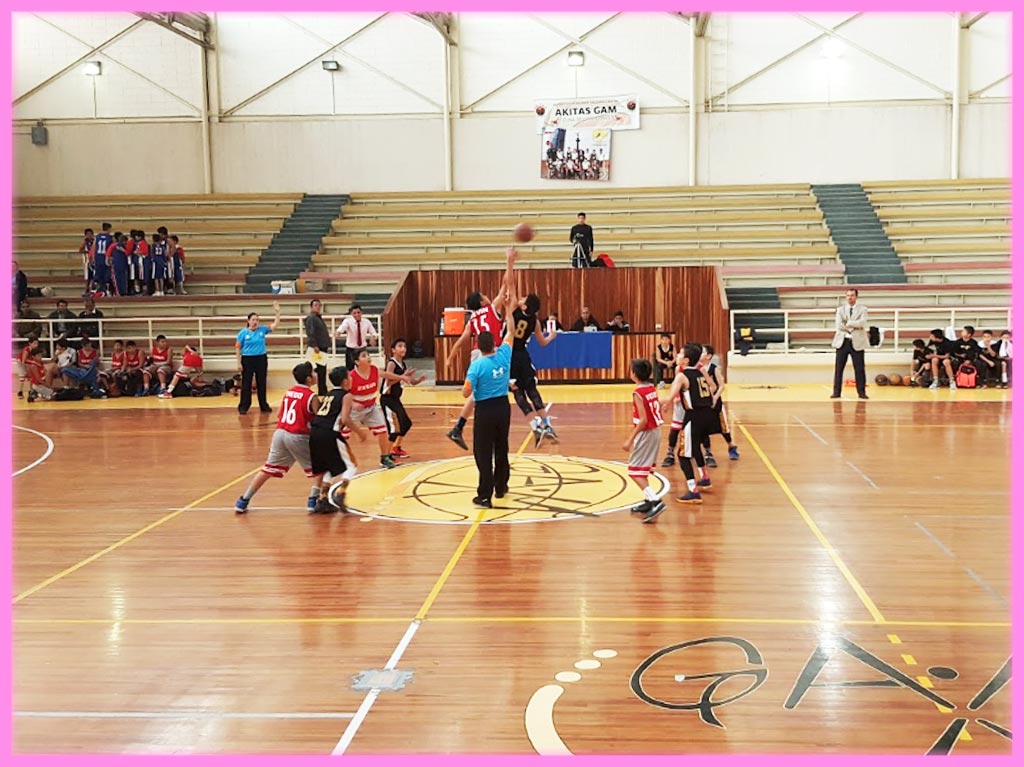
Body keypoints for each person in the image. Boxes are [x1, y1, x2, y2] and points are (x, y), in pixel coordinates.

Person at [445, 248, 517, 450]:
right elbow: (506, 283)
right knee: (485, 396)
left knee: (478, 395)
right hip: (490, 354)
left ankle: (458, 427)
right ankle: (466, 429)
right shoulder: (491, 308)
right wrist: (509, 261)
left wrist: (450, 357)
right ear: (482, 301)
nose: (488, 296)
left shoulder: (473, 319)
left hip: (477, 355)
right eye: (485, 295)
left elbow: (461, 340)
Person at [235, 362, 323, 514]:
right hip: (297, 435)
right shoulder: (311, 396)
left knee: (267, 469)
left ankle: (243, 500)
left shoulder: (289, 392)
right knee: (322, 468)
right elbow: (320, 420)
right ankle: (313, 500)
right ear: (309, 379)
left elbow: (279, 414)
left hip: (280, 433)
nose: (316, 375)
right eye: (314, 373)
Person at [462, 298, 516, 509]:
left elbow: (466, 392)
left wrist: (469, 388)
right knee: (501, 446)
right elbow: (510, 332)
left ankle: (485, 494)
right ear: (494, 343)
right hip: (503, 407)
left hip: (485, 409)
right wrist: (509, 311)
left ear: (479, 347)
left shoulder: (476, 366)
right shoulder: (504, 354)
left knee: (483, 452)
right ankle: (501, 486)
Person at [662, 343, 716, 504]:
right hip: (708, 415)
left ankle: (693, 491)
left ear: (685, 360)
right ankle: (705, 478)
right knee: (695, 447)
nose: (676, 355)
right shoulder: (700, 371)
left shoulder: (681, 375)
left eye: (679, 353)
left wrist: (656, 402)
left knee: (683, 455)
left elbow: (669, 398)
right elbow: (712, 387)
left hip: (694, 416)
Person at [510, 293, 558, 446]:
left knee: (518, 392)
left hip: (509, 355)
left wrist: (509, 267)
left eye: (523, 298)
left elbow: (510, 285)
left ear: (524, 305)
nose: (521, 298)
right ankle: (548, 426)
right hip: (523, 357)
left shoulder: (513, 310)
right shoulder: (535, 321)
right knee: (532, 390)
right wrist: (551, 336)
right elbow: (543, 342)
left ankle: (535, 427)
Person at [309, 366, 358, 514]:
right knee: (352, 465)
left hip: (315, 432)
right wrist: (360, 432)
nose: (351, 379)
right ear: (345, 382)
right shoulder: (347, 396)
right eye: (349, 377)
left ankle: (323, 499)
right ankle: (340, 494)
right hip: (329, 433)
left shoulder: (329, 394)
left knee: (329, 467)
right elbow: (344, 418)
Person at [623, 359, 667, 523]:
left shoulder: (638, 393)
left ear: (634, 374)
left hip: (647, 432)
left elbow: (642, 420)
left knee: (634, 471)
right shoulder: (651, 388)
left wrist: (630, 438)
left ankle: (655, 500)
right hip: (656, 431)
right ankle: (649, 501)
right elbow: (656, 404)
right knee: (643, 469)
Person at [347, 349, 399, 469]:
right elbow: (344, 395)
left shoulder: (374, 370)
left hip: (371, 408)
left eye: (368, 355)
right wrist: (354, 404)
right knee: (343, 435)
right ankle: (339, 458)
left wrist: (402, 377)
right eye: (364, 356)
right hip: (355, 410)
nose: (368, 357)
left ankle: (384, 457)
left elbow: (386, 375)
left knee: (383, 430)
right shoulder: (351, 376)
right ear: (357, 361)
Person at [380, 338, 425, 460]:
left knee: (406, 423)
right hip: (387, 399)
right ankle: (386, 456)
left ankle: (396, 448)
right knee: (394, 429)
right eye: (400, 346)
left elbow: (408, 381)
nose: (403, 348)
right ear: (393, 350)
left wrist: (418, 380)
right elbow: (389, 380)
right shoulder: (391, 363)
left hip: (396, 399)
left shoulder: (403, 364)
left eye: (404, 346)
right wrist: (403, 376)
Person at [235, 302, 281, 414]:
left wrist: (277, 312)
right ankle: (244, 406)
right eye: (253, 319)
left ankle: (263, 405)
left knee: (262, 382)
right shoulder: (243, 333)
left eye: (257, 320)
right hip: (247, 359)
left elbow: (275, 325)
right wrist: (238, 362)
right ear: (248, 321)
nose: (255, 322)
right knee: (246, 383)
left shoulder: (262, 330)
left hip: (261, 358)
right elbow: (237, 347)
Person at [699, 344, 739, 465]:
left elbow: (722, 386)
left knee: (723, 428)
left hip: (715, 403)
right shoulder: (697, 368)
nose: (700, 353)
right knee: (703, 429)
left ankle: (731, 446)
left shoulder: (713, 368)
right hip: (702, 403)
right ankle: (708, 452)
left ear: (709, 356)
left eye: (703, 352)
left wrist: (715, 397)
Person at [830, 288, 868, 400]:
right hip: (843, 342)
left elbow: (862, 323)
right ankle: (836, 392)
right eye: (848, 295)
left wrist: (848, 323)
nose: (850, 297)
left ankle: (861, 392)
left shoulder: (863, 309)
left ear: (856, 296)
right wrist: (854, 325)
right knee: (839, 368)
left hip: (857, 342)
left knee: (859, 368)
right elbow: (839, 325)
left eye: (852, 295)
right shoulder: (840, 309)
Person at [336, 304, 378, 371]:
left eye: (358, 312)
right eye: (354, 313)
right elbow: (342, 327)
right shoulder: (348, 321)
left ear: (362, 313)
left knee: (364, 367)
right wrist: (338, 332)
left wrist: (373, 338)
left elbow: (373, 332)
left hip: (362, 348)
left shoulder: (366, 322)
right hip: (351, 349)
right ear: (351, 314)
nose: (357, 315)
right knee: (350, 369)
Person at [304, 299, 332, 396]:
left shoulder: (317, 317)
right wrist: (314, 345)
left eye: (319, 305)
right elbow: (310, 332)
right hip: (317, 348)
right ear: (311, 307)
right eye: (316, 305)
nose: (318, 307)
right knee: (319, 370)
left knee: (322, 370)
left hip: (321, 347)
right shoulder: (311, 318)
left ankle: (322, 390)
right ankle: (321, 390)